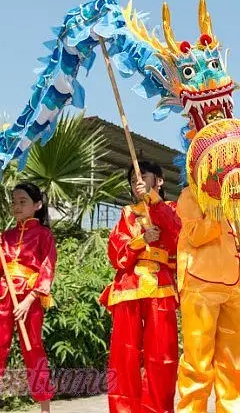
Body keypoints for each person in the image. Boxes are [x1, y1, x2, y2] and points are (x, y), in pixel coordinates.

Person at [100, 161, 182, 412]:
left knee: (162, 356)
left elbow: (177, 235)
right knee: (124, 356)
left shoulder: (171, 208)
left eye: (143, 176)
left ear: (159, 181)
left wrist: (154, 202)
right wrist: (140, 241)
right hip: (129, 286)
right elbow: (115, 250)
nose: (137, 181)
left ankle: (158, 409)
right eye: (133, 178)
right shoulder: (127, 213)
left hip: (161, 287)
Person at [0, 183, 56, 413]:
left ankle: (45, 409)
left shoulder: (44, 235)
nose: (16, 206)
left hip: (30, 297)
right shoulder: (5, 235)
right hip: (2, 295)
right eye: (14, 201)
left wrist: (30, 300)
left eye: (22, 201)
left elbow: (47, 270)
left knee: (34, 350)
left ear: (37, 205)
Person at [176, 184, 240, 413]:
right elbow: (196, 235)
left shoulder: (238, 200)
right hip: (201, 286)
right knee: (197, 363)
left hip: (236, 287)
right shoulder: (190, 195)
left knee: (234, 364)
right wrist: (216, 208)